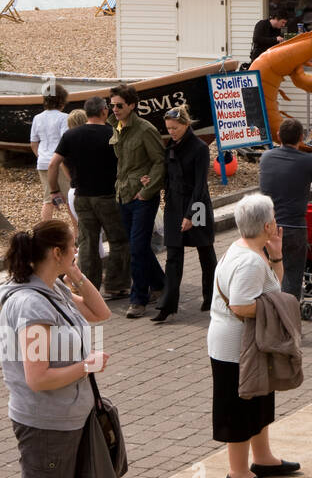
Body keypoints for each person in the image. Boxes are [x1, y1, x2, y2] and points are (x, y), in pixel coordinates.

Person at [1, 220, 115, 478]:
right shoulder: (31, 305)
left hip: (66, 418)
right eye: (73, 245)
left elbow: (100, 313)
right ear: (56, 252)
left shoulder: (54, 290)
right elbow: (37, 378)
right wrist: (86, 367)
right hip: (47, 424)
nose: (77, 249)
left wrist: (75, 274)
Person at [208, 194, 299, 478]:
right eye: (273, 218)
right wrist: (278, 309)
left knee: (260, 397)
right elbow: (241, 305)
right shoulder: (248, 260)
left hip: (248, 344)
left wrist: (276, 254)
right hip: (235, 346)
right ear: (267, 224)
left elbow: (273, 284)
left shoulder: (249, 248)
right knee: (241, 406)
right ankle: (237, 471)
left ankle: (263, 458)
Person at [47, 97, 128, 299]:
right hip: (108, 195)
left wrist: (54, 190)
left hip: (82, 196)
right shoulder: (113, 133)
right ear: (103, 112)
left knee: (88, 242)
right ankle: (115, 286)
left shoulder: (71, 135)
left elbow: (53, 164)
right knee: (118, 240)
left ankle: (88, 287)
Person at [153, 106, 216, 323]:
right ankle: (167, 306)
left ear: (186, 125)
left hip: (196, 205)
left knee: (205, 251)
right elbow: (167, 177)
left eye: (175, 128)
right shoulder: (169, 146)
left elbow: (200, 186)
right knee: (173, 256)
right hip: (174, 205)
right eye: (168, 128)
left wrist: (190, 215)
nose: (171, 132)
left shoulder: (199, 148)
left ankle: (211, 296)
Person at [109, 85, 166, 318]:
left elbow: (160, 161)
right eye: (112, 105)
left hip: (142, 198)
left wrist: (147, 189)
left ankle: (138, 299)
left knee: (137, 248)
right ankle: (163, 284)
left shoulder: (145, 130)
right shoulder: (116, 127)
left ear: (132, 105)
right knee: (138, 247)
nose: (114, 109)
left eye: (119, 105)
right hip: (123, 195)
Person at [258, 118, 312, 300]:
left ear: (279, 136)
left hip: (267, 226)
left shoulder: (266, 158)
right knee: (292, 274)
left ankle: (268, 311)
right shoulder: (309, 161)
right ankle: (289, 314)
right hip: (295, 226)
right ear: (301, 138)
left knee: (268, 273)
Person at [31, 84, 69, 223]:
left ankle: (44, 230)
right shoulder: (64, 118)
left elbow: (34, 142)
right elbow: (66, 140)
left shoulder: (37, 118)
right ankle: (77, 233)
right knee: (69, 198)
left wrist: (40, 156)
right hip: (59, 162)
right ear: (62, 100)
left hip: (43, 163)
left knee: (48, 198)